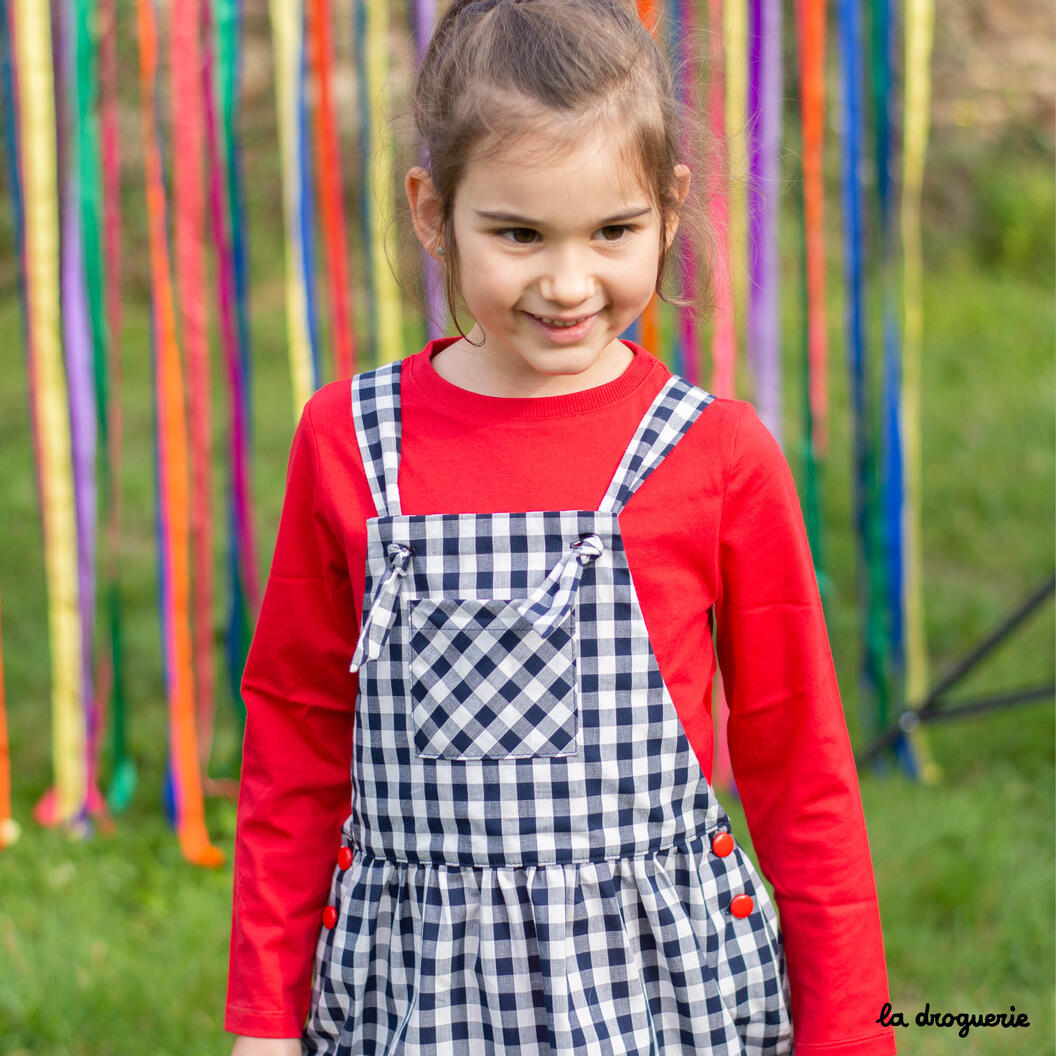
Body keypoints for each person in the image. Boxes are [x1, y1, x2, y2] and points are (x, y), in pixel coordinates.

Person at [226, 0, 897, 1052]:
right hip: (414, 991)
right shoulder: (348, 441)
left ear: (671, 209)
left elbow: (800, 761)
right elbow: (296, 740)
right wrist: (264, 1016)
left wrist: (852, 1028)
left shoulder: (714, 454)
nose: (570, 283)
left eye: (614, 231)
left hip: (657, 991)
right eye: (518, 233)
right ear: (431, 209)